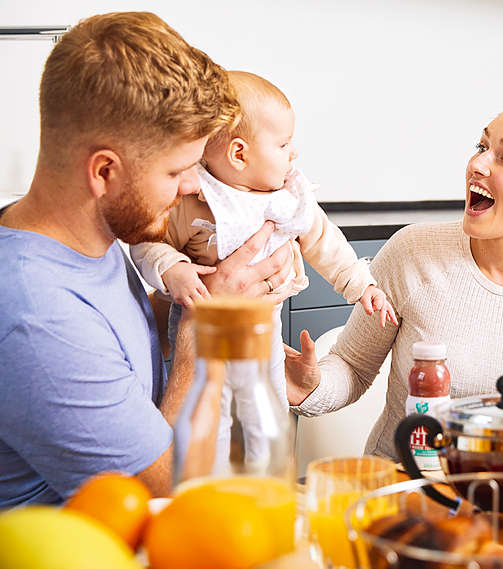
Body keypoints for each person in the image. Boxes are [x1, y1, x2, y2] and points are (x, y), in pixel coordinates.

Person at [0, 12, 293, 506]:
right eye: (178, 169)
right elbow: (160, 489)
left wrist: (207, 295)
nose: (193, 186)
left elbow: (107, 343)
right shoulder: (34, 313)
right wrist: (207, 323)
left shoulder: (88, 241)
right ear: (105, 172)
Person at [284, 100, 503, 460]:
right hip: (399, 488)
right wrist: (309, 387)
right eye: (482, 147)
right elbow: (352, 366)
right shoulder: (413, 252)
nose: (478, 164)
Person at [130, 72, 396, 447]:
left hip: (265, 327)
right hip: (202, 333)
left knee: (266, 416)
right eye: (284, 143)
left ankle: (264, 482)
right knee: (208, 417)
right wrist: (172, 269)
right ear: (240, 153)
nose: (294, 153)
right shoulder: (194, 199)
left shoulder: (289, 197)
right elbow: (146, 245)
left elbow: (324, 241)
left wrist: (360, 283)